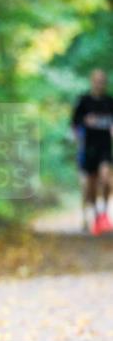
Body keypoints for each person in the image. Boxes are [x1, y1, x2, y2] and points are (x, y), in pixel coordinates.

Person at [71, 69, 113, 235]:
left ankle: (103, 214)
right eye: (97, 80)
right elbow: (74, 123)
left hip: (105, 147)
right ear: (91, 81)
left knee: (106, 178)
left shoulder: (110, 102)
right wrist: (78, 136)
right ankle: (95, 215)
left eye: (102, 80)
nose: (100, 83)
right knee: (90, 186)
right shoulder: (83, 101)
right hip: (88, 148)